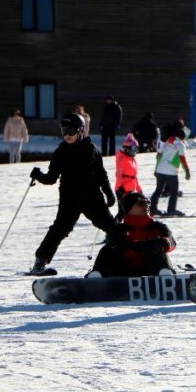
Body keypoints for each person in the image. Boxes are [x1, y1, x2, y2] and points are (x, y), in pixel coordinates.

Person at [28, 113, 117, 275]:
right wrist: (38, 175)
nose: (67, 135)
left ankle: (126, 258)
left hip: (92, 198)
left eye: (71, 131)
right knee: (59, 230)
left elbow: (101, 174)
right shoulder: (61, 152)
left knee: (113, 228)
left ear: (80, 130)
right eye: (64, 131)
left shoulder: (92, 149)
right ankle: (40, 262)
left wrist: (109, 192)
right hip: (70, 199)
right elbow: (51, 178)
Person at [90, 192, 176, 278]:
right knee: (107, 249)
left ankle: (165, 275)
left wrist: (165, 243)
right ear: (129, 208)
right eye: (141, 203)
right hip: (124, 269)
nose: (146, 206)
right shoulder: (118, 230)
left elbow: (171, 241)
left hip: (151, 267)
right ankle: (96, 276)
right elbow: (112, 243)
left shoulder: (158, 227)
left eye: (147, 203)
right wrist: (140, 246)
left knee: (157, 249)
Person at [149, 123, 191, 216]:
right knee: (174, 191)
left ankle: (152, 209)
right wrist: (187, 170)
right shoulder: (180, 144)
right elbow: (182, 158)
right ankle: (171, 210)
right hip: (171, 170)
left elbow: (159, 155)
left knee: (158, 190)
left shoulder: (167, 141)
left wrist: (156, 169)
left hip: (160, 169)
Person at [114, 133, 143, 215]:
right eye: (134, 148)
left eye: (136, 148)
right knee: (122, 213)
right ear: (127, 149)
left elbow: (134, 176)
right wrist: (120, 189)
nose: (136, 151)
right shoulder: (122, 159)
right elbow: (119, 175)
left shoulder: (133, 160)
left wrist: (139, 189)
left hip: (131, 189)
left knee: (131, 211)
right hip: (123, 190)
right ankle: (115, 226)